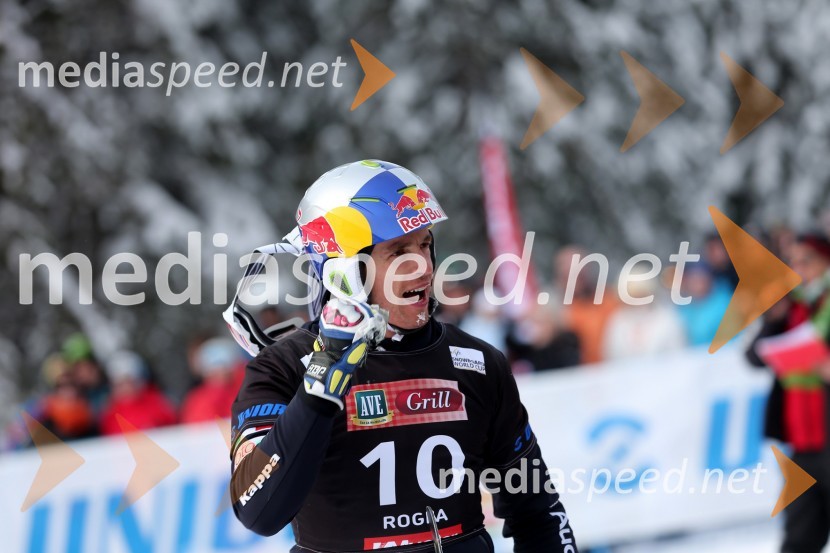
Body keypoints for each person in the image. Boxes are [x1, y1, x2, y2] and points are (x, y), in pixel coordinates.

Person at [226, 160, 578, 552]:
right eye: (398, 253)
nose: (424, 268)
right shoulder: (282, 367)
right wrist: (316, 395)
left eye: (425, 244)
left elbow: (538, 512)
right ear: (345, 268)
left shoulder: (478, 362)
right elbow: (258, 512)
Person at [747, 233, 830, 553]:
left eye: (806, 261)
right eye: (793, 262)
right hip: (802, 445)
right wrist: (774, 320)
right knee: (799, 538)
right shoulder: (793, 308)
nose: (798, 269)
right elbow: (754, 357)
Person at [99, 351, 178, 435]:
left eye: (129, 381)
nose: (125, 388)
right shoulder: (109, 413)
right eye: (120, 384)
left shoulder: (158, 403)